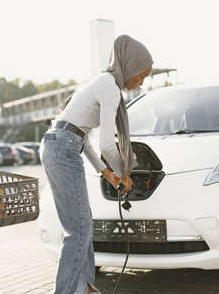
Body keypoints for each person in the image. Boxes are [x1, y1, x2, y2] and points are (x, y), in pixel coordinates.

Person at [40, 34, 153, 294]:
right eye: (141, 75)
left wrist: (106, 173)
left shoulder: (100, 82)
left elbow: (81, 137)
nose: (140, 82)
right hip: (63, 148)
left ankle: (86, 288)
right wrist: (124, 173)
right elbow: (105, 145)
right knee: (78, 231)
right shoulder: (110, 88)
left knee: (82, 224)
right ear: (131, 66)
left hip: (60, 144)